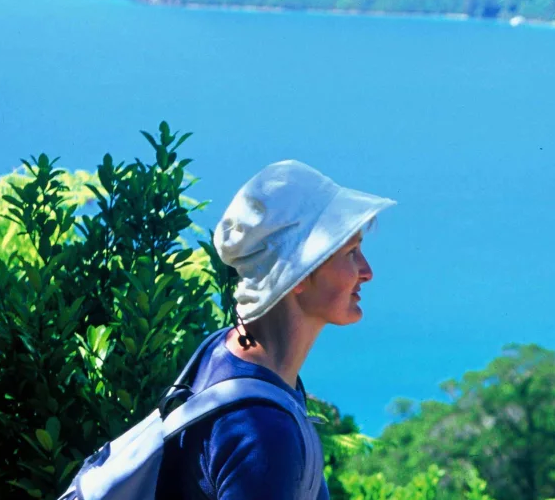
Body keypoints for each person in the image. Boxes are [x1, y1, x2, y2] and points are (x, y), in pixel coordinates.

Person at [159, 159, 395, 499]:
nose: (367, 270)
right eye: (351, 252)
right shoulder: (264, 434)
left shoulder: (226, 353)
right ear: (297, 273)